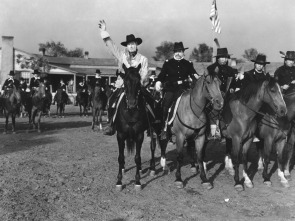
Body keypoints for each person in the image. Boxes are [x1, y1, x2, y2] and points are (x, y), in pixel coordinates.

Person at [98, 19, 150, 136]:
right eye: (129, 44)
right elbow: (112, 47)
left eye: (133, 44)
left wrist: (139, 83)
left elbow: (145, 73)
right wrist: (104, 32)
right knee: (111, 101)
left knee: (150, 101)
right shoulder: (121, 56)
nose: (131, 46)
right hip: (123, 85)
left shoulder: (143, 59)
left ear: (136, 45)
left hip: (137, 86)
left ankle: (152, 126)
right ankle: (111, 125)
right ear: (126, 46)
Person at [155, 42, 199, 140]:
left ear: (184, 52)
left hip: (185, 90)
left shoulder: (188, 64)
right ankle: (164, 128)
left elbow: (194, 74)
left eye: (180, 51)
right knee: (165, 104)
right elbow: (162, 75)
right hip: (171, 89)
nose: (178, 53)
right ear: (173, 53)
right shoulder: (168, 63)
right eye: (176, 51)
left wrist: (198, 78)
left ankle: (197, 128)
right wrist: (158, 81)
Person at [207, 48, 237, 140]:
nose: (224, 59)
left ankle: (234, 128)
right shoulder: (211, 69)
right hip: (214, 95)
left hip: (228, 95)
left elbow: (234, 83)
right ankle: (212, 131)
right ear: (218, 58)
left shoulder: (231, 70)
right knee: (209, 110)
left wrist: (232, 88)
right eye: (221, 57)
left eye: (225, 57)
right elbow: (209, 83)